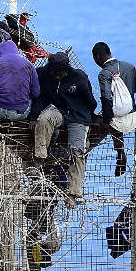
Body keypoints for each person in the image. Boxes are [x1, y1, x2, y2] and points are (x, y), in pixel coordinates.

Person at [32, 53, 98, 205]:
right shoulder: (43, 74)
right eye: (54, 72)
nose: (57, 76)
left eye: (59, 73)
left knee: (77, 150)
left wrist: (90, 117)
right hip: (59, 111)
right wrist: (33, 116)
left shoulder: (79, 77)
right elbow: (39, 97)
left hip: (78, 116)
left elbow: (91, 101)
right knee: (44, 119)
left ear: (66, 69)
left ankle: (74, 192)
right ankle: (40, 158)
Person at [88, 42, 136, 180]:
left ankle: (117, 153)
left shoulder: (104, 74)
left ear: (97, 56)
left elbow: (106, 100)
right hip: (134, 119)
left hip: (115, 124)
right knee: (118, 114)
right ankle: (123, 155)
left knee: (102, 120)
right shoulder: (128, 67)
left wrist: (106, 121)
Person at [0, 40, 41, 122]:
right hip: (22, 113)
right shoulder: (29, 65)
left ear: (0, 52)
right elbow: (36, 93)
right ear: (16, 50)